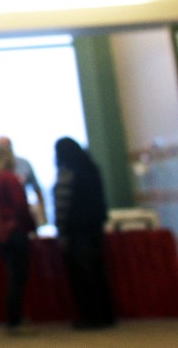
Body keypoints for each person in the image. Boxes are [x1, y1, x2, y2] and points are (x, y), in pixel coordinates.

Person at [54, 137, 115, 330]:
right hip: (94, 228)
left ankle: (90, 316)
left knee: (82, 276)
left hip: (75, 231)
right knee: (97, 272)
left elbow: (62, 205)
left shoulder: (67, 173)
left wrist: (61, 229)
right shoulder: (90, 168)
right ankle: (105, 314)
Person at [0, 141, 37, 334]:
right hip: (15, 231)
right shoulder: (10, 179)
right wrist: (32, 227)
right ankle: (15, 320)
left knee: (12, 274)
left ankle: (14, 318)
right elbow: (21, 206)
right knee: (18, 275)